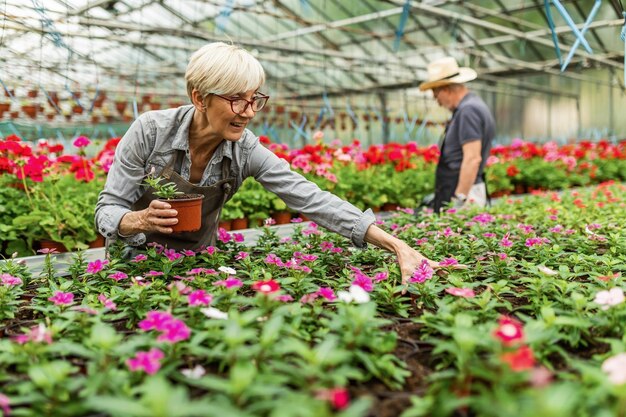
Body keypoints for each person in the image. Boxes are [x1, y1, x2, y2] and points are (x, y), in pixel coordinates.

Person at [95, 42, 455, 290]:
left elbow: (311, 199)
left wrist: (398, 247)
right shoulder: (150, 131)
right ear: (199, 98)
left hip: (193, 267)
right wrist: (139, 220)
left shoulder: (245, 150)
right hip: (133, 265)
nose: (249, 112)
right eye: (237, 100)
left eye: (255, 100)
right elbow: (107, 210)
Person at [419, 56, 495, 213]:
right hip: (465, 188)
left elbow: (472, 159)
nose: (437, 102)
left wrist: (459, 200)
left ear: (446, 89)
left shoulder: (468, 110)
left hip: (465, 191)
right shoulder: (470, 106)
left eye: (436, 95)